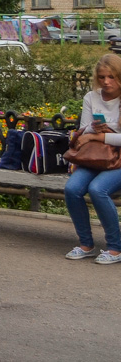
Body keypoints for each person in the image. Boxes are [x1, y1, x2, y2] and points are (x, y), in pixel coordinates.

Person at [64, 52, 121, 265]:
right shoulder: (91, 97)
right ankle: (86, 244)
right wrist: (93, 129)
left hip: (119, 159)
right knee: (72, 189)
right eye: (102, 77)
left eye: (112, 77)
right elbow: (83, 131)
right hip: (97, 157)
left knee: (98, 189)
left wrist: (99, 135)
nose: (106, 82)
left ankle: (115, 247)